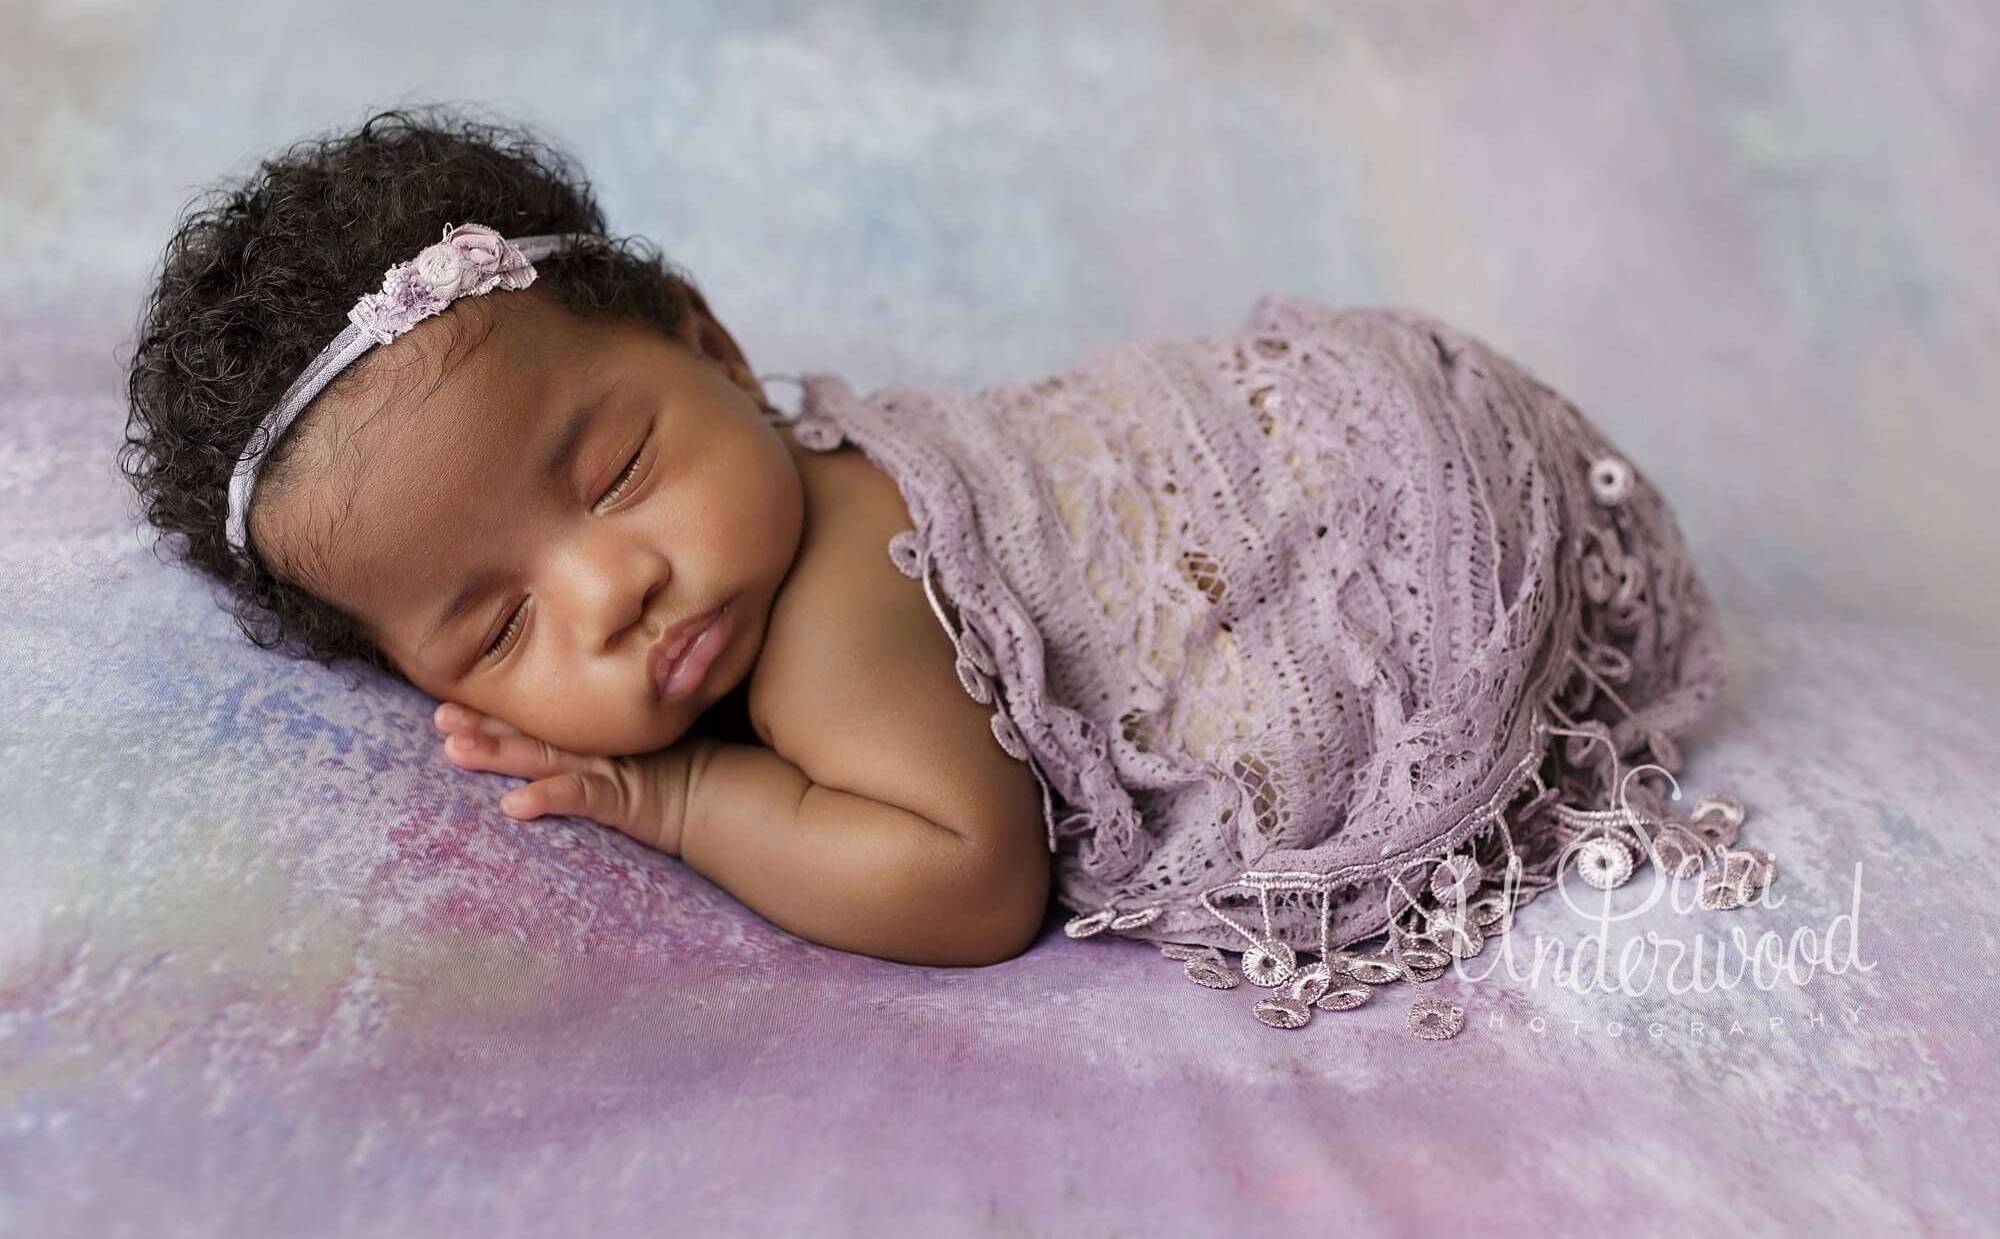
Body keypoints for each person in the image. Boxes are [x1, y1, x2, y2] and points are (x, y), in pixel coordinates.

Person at [120, 106, 1762, 1035]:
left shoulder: (840, 593)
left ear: (712, 341)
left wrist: (682, 803)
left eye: (617, 471)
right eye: (499, 622)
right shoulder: (748, 515)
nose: (610, 586)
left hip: (1390, 500)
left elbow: (971, 886)